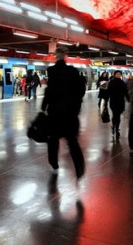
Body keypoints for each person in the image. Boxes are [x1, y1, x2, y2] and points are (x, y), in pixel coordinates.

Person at [41, 46, 87, 180]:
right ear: (66, 55)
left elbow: (49, 92)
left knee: (53, 140)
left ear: (56, 56)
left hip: (54, 112)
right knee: (72, 141)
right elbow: (80, 90)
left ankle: (54, 163)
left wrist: (44, 107)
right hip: (69, 113)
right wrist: (76, 107)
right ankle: (79, 168)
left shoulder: (52, 71)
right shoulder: (72, 71)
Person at [107, 70, 129, 140]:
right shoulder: (111, 82)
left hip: (120, 101)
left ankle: (116, 128)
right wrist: (105, 99)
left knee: (117, 115)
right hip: (113, 101)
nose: (119, 75)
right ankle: (115, 127)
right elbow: (108, 91)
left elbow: (125, 91)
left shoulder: (122, 83)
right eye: (117, 74)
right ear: (115, 74)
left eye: (120, 74)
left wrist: (128, 99)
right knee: (115, 115)